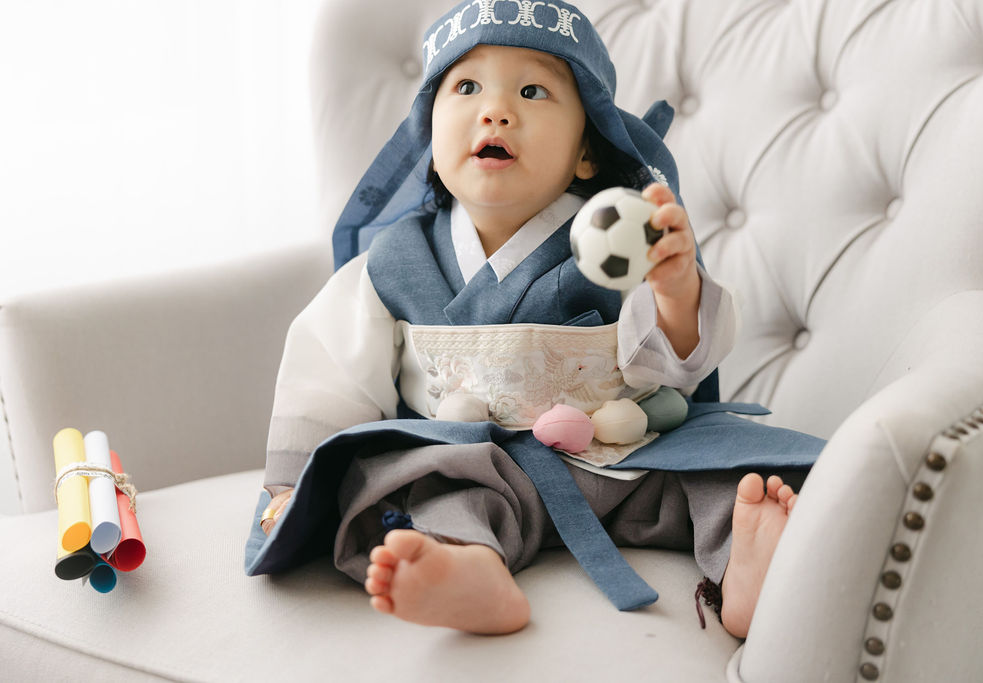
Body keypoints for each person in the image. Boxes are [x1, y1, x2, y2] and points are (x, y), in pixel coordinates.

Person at [247, 0, 823, 639]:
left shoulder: (616, 235)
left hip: (627, 457)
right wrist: (291, 485)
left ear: (585, 152)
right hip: (479, 465)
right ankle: (472, 573)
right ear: (430, 139)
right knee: (417, 488)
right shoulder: (396, 262)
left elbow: (679, 355)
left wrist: (675, 286)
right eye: (466, 87)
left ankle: (743, 561)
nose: (495, 110)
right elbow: (331, 371)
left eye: (532, 90)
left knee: (731, 473)